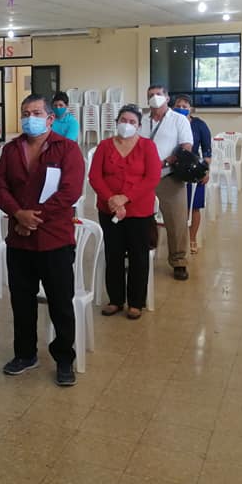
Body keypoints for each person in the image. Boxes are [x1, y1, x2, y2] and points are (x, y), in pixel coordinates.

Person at [0, 94, 84, 386]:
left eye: (35, 113)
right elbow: (0, 187)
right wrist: (18, 214)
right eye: (25, 113)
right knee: (22, 301)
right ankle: (25, 354)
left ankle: (64, 359)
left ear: (49, 118)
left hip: (54, 239)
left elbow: (70, 192)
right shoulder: (11, 150)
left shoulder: (67, 149)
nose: (29, 118)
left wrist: (32, 218)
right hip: (19, 241)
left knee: (60, 303)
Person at [88, 105, 161, 320]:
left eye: (132, 122)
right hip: (108, 209)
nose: (127, 125)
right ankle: (115, 299)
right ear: (116, 122)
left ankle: (136, 302)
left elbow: (152, 178)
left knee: (139, 255)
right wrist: (112, 199)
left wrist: (125, 198)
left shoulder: (147, 146)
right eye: (123, 120)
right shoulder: (104, 146)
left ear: (139, 126)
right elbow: (95, 177)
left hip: (139, 210)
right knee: (114, 253)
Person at [141, 85, 193, 281]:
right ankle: (143, 254)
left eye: (158, 94)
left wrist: (166, 161)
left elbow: (186, 146)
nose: (155, 97)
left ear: (167, 97)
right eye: (151, 95)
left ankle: (179, 261)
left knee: (176, 221)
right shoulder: (142, 121)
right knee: (141, 219)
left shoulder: (178, 120)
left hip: (169, 176)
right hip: (143, 178)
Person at [173, 95, 211, 255]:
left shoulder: (199, 125)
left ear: (191, 109)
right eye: (178, 105)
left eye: (185, 106)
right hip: (173, 170)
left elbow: (207, 151)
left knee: (194, 207)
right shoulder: (170, 122)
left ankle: (192, 238)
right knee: (175, 207)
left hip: (193, 170)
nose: (181, 108)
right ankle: (176, 239)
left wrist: (205, 170)